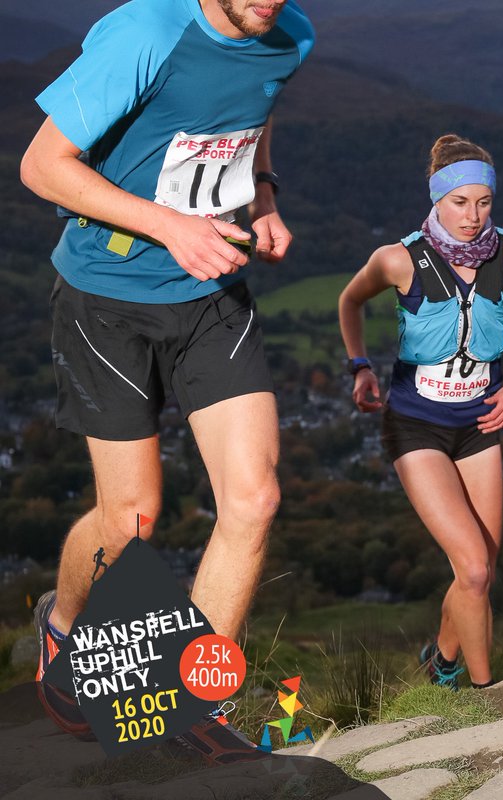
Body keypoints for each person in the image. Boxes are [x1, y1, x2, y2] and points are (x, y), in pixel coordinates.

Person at [20, 0, 314, 753]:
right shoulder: (149, 33)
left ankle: (192, 707)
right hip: (106, 300)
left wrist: (265, 195)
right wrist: (169, 225)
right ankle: (63, 627)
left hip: (212, 292)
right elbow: (42, 166)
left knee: (254, 499)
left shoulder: (288, 35)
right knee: (132, 520)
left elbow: (255, 110)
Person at [339, 134, 503, 690]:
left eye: (483, 202)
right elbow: (349, 301)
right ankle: (486, 693)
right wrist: (360, 367)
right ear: (437, 198)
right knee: (475, 567)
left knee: (478, 571)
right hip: (415, 425)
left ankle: (439, 662)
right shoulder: (398, 258)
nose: (473, 216)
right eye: (460, 202)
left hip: (480, 424)